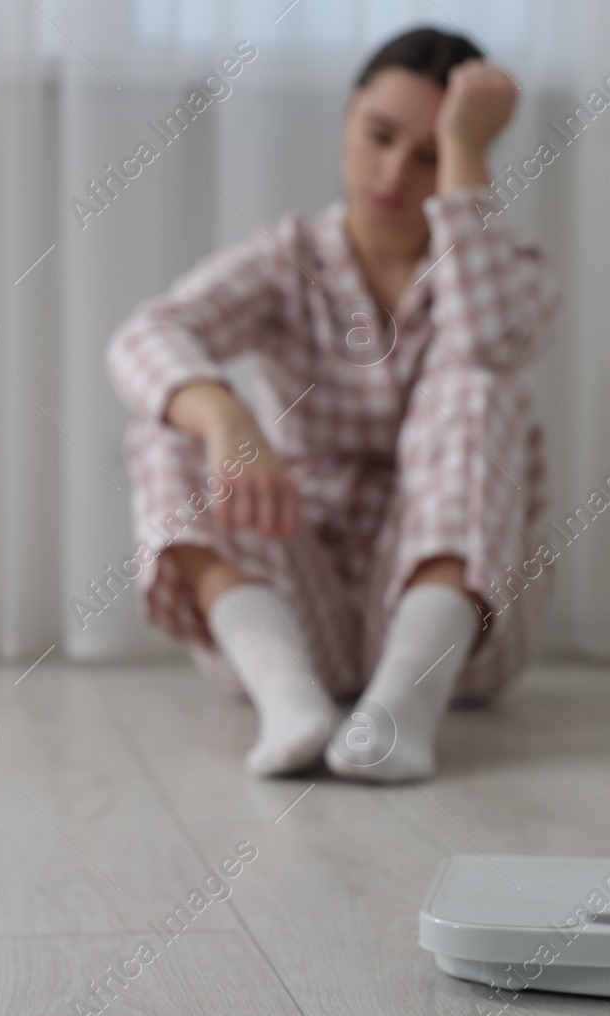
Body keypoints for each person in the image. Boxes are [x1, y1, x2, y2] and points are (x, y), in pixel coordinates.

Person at [104, 27, 560, 783]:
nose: (394, 173)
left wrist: (467, 156)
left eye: (430, 156)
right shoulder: (289, 260)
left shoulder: (509, 274)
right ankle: (289, 700)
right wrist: (226, 415)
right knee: (170, 419)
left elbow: (482, 343)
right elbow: (143, 335)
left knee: (478, 388)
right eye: (380, 136)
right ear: (347, 118)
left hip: (457, 639)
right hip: (296, 602)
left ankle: (401, 710)